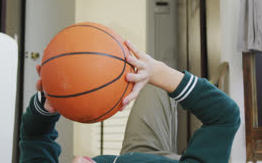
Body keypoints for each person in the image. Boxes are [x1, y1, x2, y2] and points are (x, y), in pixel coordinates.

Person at [19, 40, 240, 163]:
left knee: (149, 84)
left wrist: (48, 102)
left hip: (135, 152)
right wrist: (159, 72)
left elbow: (33, 138)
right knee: (157, 79)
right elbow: (225, 118)